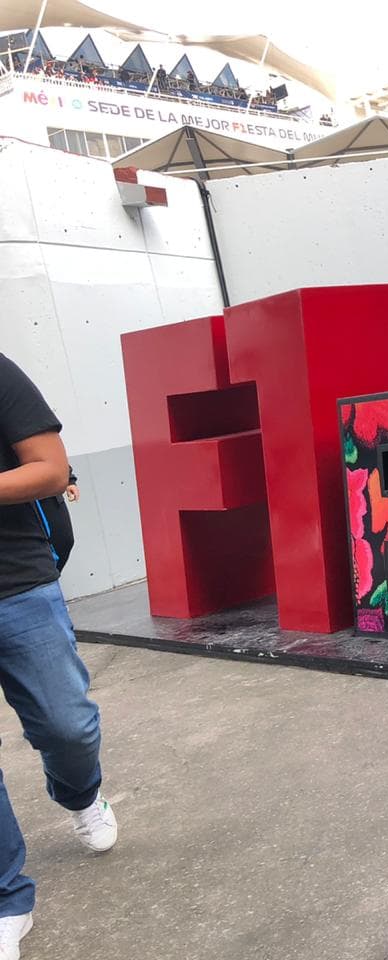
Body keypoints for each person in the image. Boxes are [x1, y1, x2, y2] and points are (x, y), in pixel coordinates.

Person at [0, 355, 116, 960]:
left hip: (16, 581)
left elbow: (49, 470)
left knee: (66, 726)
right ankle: (7, 900)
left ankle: (80, 795)